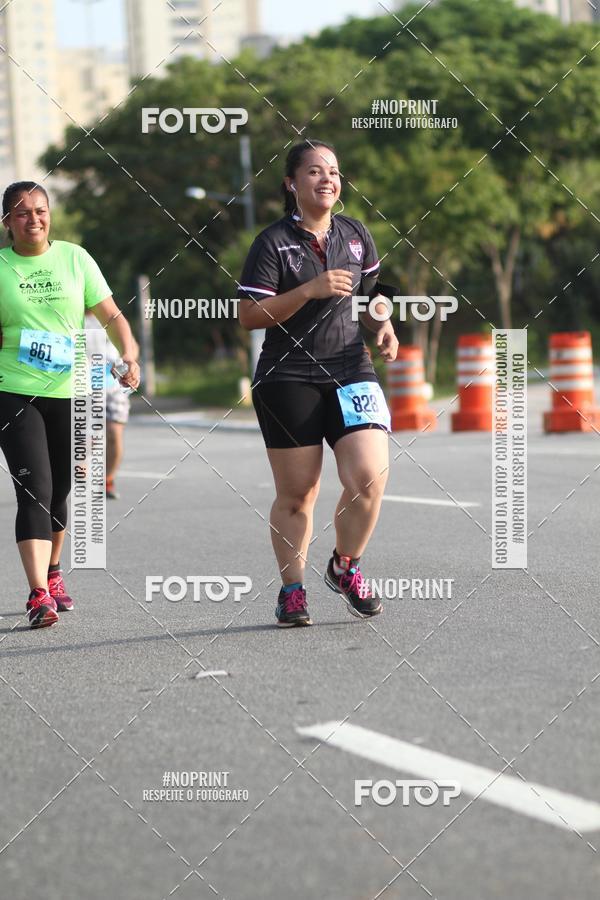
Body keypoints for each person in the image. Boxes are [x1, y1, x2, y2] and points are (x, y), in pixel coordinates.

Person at [238, 140, 399, 628]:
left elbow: (373, 297)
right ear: (291, 183)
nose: (327, 179)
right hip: (288, 378)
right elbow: (249, 315)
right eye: (313, 171)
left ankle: (344, 565)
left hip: (351, 369)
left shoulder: (355, 235)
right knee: (299, 493)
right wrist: (308, 289)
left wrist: (385, 323)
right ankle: (292, 591)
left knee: (369, 475)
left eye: (333, 170)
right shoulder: (272, 243)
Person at [0, 181, 140, 628]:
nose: (34, 219)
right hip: (14, 389)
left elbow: (110, 313)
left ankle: (54, 570)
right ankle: (38, 593)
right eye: (22, 213)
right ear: (7, 222)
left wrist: (129, 353)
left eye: (40, 210)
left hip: (72, 389)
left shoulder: (75, 258)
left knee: (60, 491)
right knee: (35, 490)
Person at [85, 309, 139, 499]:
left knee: (114, 433)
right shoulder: (72, 316)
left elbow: (132, 347)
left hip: (113, 385)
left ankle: (107, 480)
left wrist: (129, 362)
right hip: (84, 387)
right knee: (85, 441)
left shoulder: (109, 316)